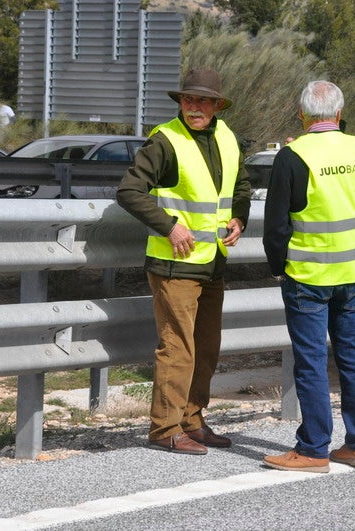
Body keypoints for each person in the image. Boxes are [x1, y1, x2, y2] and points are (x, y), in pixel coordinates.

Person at [116, 69, 251, 455]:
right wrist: (169, 226)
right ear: (180, 103)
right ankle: (165, 428)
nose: (195, 106)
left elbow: (241, 187)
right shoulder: (165, 140)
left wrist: (239, 218)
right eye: (188, 100)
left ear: (217, 106)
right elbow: (129, 191)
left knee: (206, 347)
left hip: (213, 262)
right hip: (174, 264)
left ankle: (193, 420)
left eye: (203, 100)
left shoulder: (227, 137)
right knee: (178, 348)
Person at [262, 80, 355, 473]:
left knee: (312, 362)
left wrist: (280, 269)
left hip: (307, 277)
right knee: (352, 356)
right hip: (351, 274)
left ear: (302, 113)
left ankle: (314, 449)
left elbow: (276, 228)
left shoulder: (293, 156)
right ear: (338, 112)